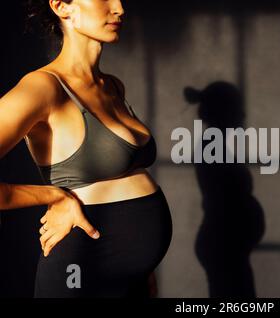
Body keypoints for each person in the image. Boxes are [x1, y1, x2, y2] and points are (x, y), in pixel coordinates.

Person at [0, 0, 172, 297]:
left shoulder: (112, 86)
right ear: (62, 7)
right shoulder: (43, 87)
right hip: (80, 273)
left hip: (134, 279)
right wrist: (54, 195)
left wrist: (143, 269)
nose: (119, 8)